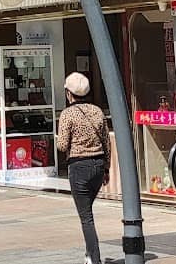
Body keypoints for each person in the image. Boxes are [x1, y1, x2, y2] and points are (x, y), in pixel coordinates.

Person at [56, 72, 110, 264]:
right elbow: (105, 142)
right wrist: (106, 169)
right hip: (98, 163)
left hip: (78, 166)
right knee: (87, 211)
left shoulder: (67, 114)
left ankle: (93, 257)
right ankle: (90, 254)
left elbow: (62, 145)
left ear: (69, 93)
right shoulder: (97, 111)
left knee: (86, 216)